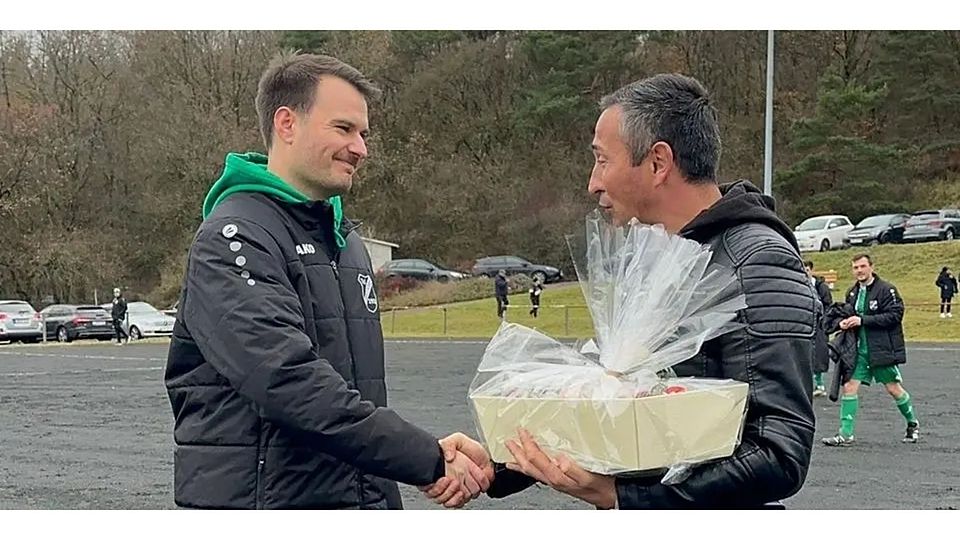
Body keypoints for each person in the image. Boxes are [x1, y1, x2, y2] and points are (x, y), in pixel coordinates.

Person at [427, 73, 817, 509]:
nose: (593, 183)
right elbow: (621, 412)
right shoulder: (653, 256)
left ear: (657, 163)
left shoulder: (755, 263)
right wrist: (503, 462)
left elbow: (778, 454)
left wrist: (622, 496)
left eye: (601, 160)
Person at [163, 52, 492, 510]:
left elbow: (351, 399)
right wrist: (428, 458)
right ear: (286, 124)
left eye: (363, 133)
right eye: (343, 129)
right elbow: (289, 382)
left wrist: (434, 458)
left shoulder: (344, 241)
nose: (361, 148)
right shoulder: (233, 239)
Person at [822, 254, 920, 446]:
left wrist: (863, 320)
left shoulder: (886, 290)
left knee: (893, 389)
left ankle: (912, 423)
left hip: (880, 350)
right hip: (859, 351)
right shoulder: (852, 292)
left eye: (862, 266)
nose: (859, 270)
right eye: (855, 267)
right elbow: (846, 314)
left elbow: (895, 315)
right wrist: (842, 323)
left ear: (871, 267)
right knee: (849, 387)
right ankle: (845, 434)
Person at [805, 260, 832, 396]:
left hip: (820, 325)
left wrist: (824, 321)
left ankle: (820, 384)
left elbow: (828, 305)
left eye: (807, 269)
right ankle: (807, 386)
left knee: (819, 354)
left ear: (811, 270)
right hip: (805, 324)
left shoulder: (821, 287)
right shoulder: (799, 286)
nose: (805, 272)